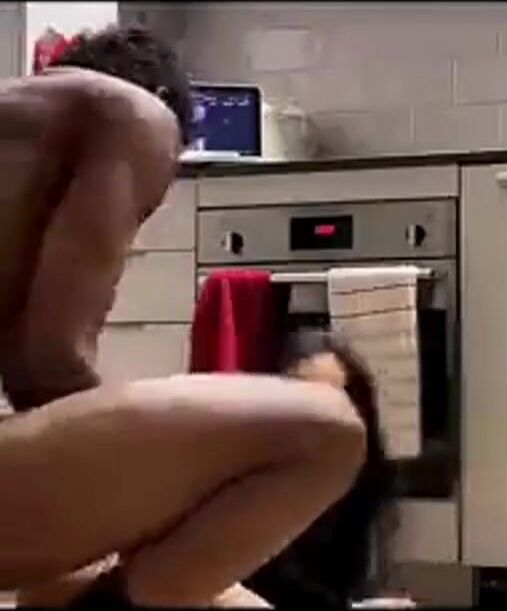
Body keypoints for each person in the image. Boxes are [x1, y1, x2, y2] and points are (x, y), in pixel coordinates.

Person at [0, 24, 373, 607]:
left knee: (70, 575)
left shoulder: (25, 122)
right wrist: (181, 494)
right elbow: (48, 365)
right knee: (327, 431)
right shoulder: (135, 115)